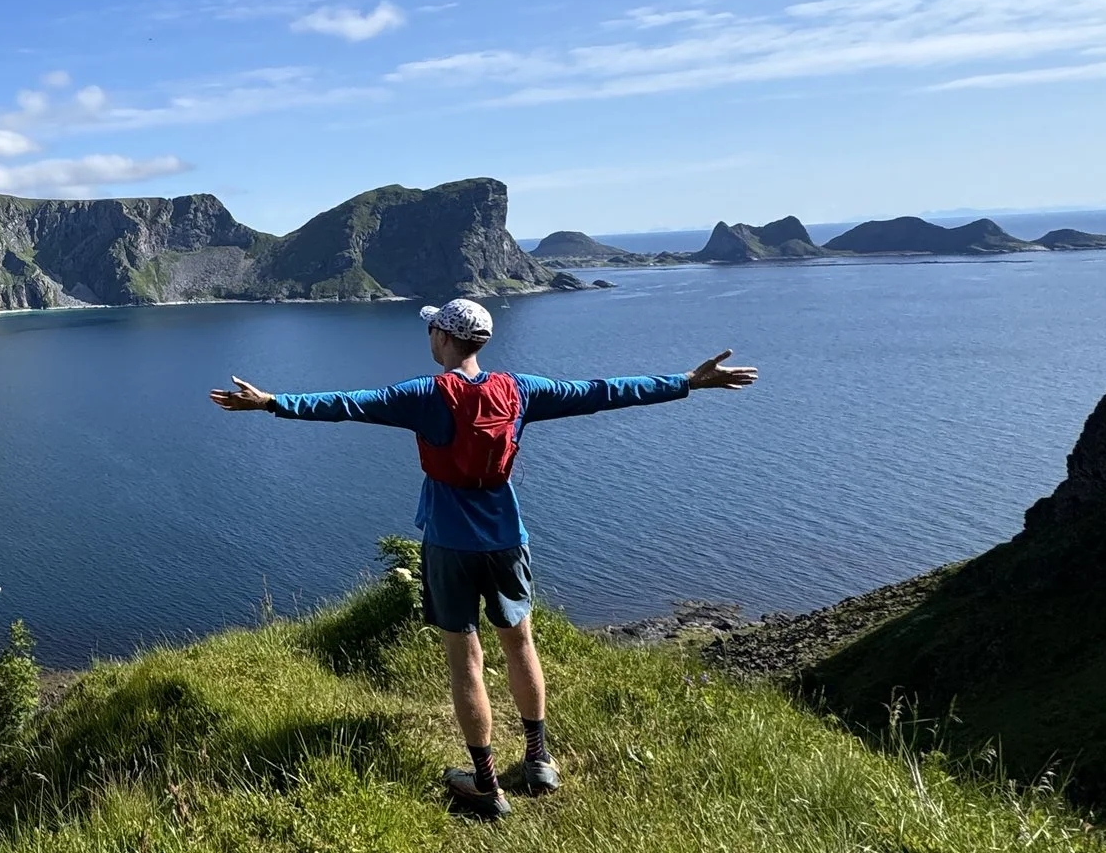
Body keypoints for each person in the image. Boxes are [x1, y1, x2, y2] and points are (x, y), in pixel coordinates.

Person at [209, 298, 756, 819]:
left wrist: (271, 401)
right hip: (506, 536)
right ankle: (539, 760)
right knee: (520, 644)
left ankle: (486, 783)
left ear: (443, 337)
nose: (429, 336)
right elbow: (603, 391)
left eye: (431, 329)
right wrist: (687, 380)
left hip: (450, 542)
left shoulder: (424, 394)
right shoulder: (519, 390)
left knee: (465, 657)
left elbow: (347, 404)